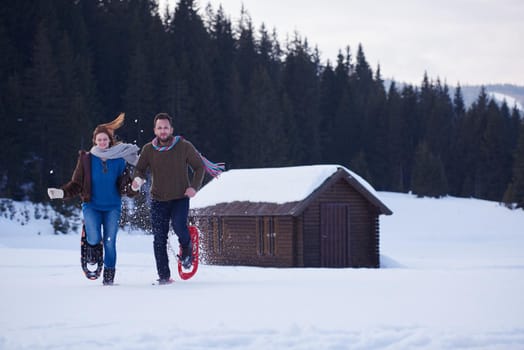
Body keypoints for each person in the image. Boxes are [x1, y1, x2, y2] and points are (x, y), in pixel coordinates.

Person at [132, 112, 224, 284]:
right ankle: (164, 276)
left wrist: (194, 187)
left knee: (178, 225)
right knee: (159, 238)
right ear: (155, 130)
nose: (163, 131)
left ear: (171, 129)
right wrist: (138, 179)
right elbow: (140, 169)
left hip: (180, 197)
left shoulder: (183, 146)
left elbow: (199, 167)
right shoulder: (148, 150)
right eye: (160, 128)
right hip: (158, 199)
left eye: (166, 127)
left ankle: (187, 247)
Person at [47, 113, 139, 285]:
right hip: (92, 206)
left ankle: (109, 278)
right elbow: (77, 184)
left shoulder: (119, 160)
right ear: (95, 141)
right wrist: (61, 193)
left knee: (110, 242)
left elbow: (125, 186)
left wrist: (134, 187)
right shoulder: (86, 159)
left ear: (110, 140)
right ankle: (92, 245)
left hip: (112, 207)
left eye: (105, 139)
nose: (102, 142)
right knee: (95, 237)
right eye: (99, 139)